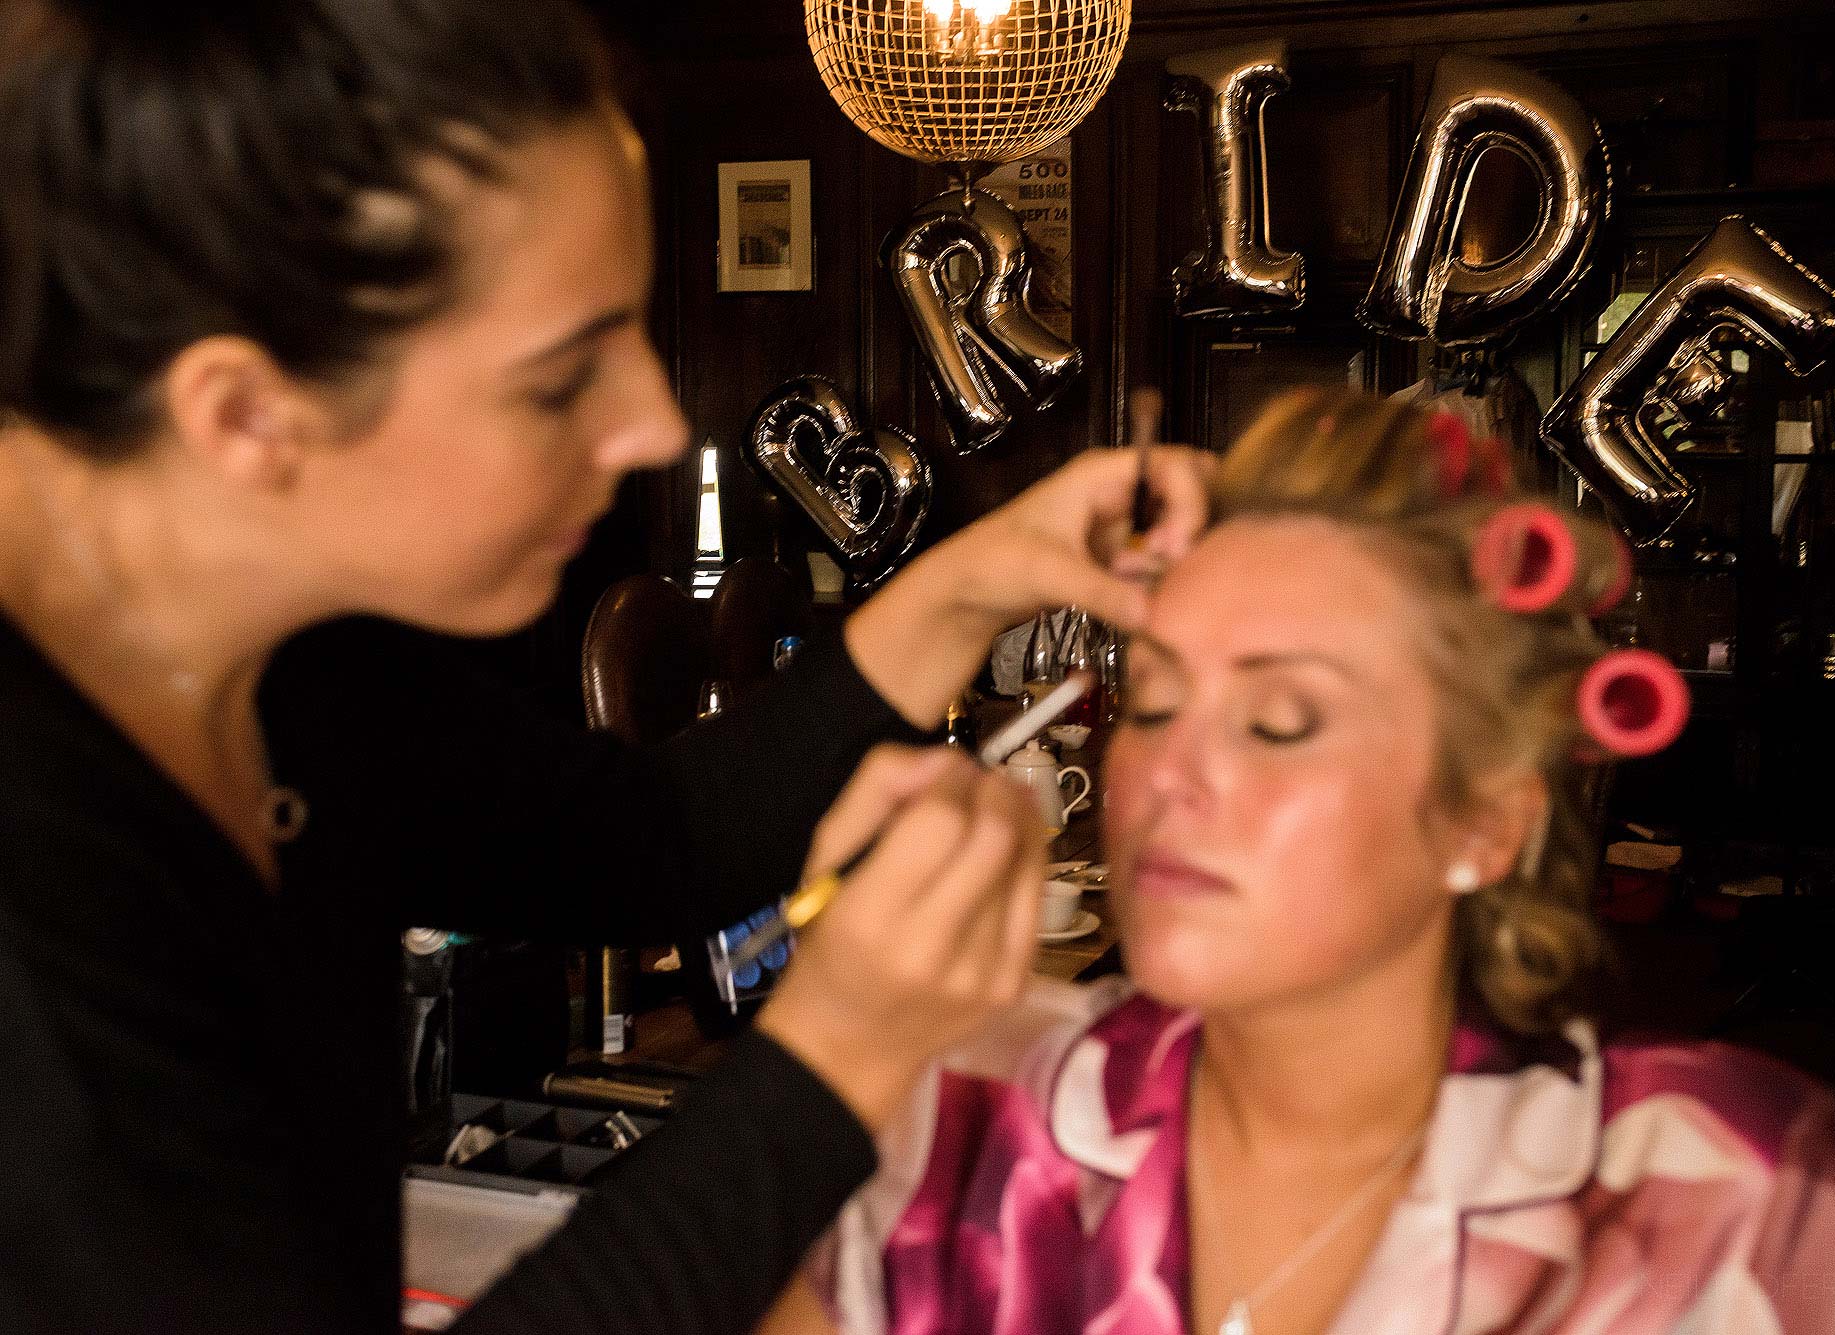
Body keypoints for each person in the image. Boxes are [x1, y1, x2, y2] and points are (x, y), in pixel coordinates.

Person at [0, 2, 1210, 1331]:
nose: (648, 424)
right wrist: (841, 1051)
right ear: (246, 416)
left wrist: (981, 577)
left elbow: (654, 838)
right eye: (557, 376)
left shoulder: (293, 658)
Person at [764, 386, 1835, 1334]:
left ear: (1484, 819)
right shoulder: (973, 1121)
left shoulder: (1728, 1197)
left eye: (1281, 721)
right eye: (1148, 701)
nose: (1169, 776)